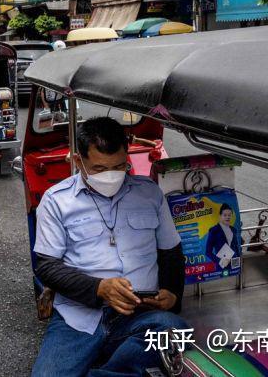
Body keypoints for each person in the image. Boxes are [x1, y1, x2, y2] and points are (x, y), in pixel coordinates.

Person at [31, 117, 187, 377]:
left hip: (140, 314)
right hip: (78, 319)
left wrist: (172, 292)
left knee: (175, 331)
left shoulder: (149, 194)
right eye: (99, 168)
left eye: (118, 167)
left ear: (127, 156)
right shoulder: (56, 201)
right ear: (78, 161)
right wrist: (99, 288)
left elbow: (171, 252)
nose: (111, 176)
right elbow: (47, 267)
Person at [205, 203, 240, 269]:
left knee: (236, 275)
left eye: (229, 215)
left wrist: (237, 263)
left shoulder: (234, 230)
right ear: (220, 216)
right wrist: (220, 261)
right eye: (225, 215)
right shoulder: (214, 230)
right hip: (222, 266)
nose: (227, 217)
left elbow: (236, 248)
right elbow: (208, 252)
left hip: (234, 264)